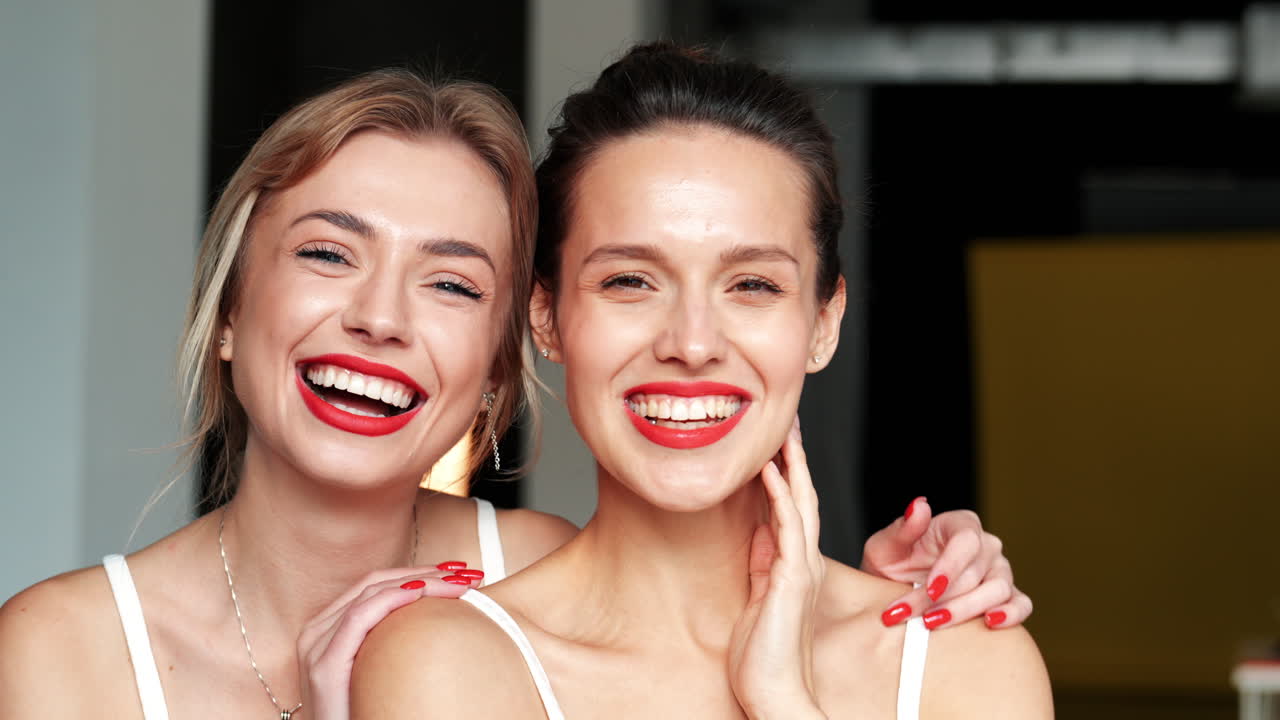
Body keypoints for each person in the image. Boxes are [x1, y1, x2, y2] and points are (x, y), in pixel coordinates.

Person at [0, 66, 1025, 720]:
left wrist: (902, 582)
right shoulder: (60, 650)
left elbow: (690, 578)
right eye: (326, 253)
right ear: (226, 309)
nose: (381, 318)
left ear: (504, 352)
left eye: (451, 282)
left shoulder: (537, 566)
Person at [352, 44, 1051, 719]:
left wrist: (783, 700)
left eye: (751, 284)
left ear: (822, 324)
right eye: (630, 281)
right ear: (547, 315)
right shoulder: (446, 661)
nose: (691, 343)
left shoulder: (963, 661)